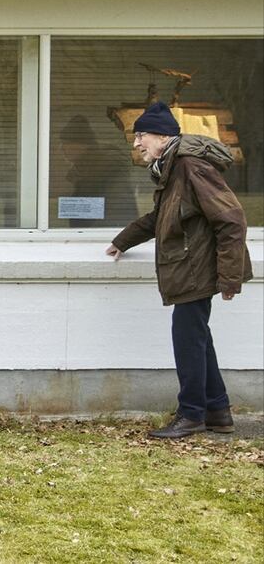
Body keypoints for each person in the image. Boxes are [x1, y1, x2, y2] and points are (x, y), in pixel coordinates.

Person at [105, 101, 253, 439]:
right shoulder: (173, 168)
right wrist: (123, 241)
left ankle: (191, 414)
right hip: (192, 267)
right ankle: (218, 411)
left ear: (161, 135)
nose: (136, 143)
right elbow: (160, 218)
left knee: (187, 338)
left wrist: (230, 277)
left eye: (140, 135)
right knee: (197, 337)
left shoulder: (190, 167)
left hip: (197, 268)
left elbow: (231, 219)